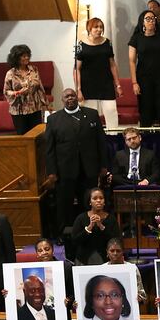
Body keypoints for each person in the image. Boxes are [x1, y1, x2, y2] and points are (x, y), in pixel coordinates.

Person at [45, 88, 108, 245]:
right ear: (62, 100)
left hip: (89, 169)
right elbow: (49, 149)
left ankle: (89, 230)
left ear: (77, 98)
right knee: (63, 204)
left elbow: (101, 142)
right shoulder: (54, 119)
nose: (70, 98)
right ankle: (62, 234)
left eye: (72, 95)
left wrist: (103, 165)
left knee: (86, 202)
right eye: (66, 96)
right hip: (65, 171)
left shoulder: (92, 114)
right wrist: (52, 172)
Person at [128, 9, 160, 127]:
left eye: (153, 19)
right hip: (143, 78)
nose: (151, 21)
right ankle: (146, 139)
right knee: (145, 109)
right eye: (147, 19)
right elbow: (132, 61)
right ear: (142, 22)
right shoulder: (136, 38)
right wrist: (134, 82)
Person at [75, 17, 122, 130]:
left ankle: (113, 138)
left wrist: (118, 85)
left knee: (111, 112)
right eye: (96, 27)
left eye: (101, 27)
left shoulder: (107, 43)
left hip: (106, 84)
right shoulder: (81, 45)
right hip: (88, 86)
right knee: (90, 117)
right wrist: (79, 89)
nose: (99, 29)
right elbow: (77, 69)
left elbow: (112, 65)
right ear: (89, 28)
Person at [2, 44, 50, 134]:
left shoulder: (34, 69)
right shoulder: (11, 73)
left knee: (37, 134)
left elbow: (40, 88)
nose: (27, 58)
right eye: (24, 56)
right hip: (19, 110)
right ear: (16, 58)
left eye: (28, 55)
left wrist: (46, 104)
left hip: (35, 108)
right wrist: (17, 92)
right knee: (23, 136)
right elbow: (6, 91)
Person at [71, 188, 120, 265]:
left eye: (101, 198)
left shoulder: (111, 219)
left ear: (104, 202)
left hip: (106, 260)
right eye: (95, 198)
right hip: (84, 260)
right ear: (89, 202)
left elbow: (116, 240)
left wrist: (101, 226)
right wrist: (89, 228)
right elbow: (74, 240)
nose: (98, 200)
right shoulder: (81, 218)